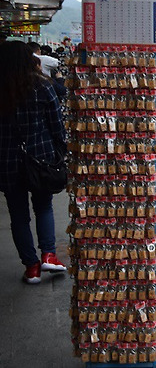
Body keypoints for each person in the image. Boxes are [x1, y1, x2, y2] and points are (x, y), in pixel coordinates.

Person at [0, 41, 68, 284]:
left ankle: (31, 267)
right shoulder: (42, 86)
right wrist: (61, 150)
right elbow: (57, 125)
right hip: (41, 158)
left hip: (8, 161)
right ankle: (49, 254)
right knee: (43, 207)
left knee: (18, 216)